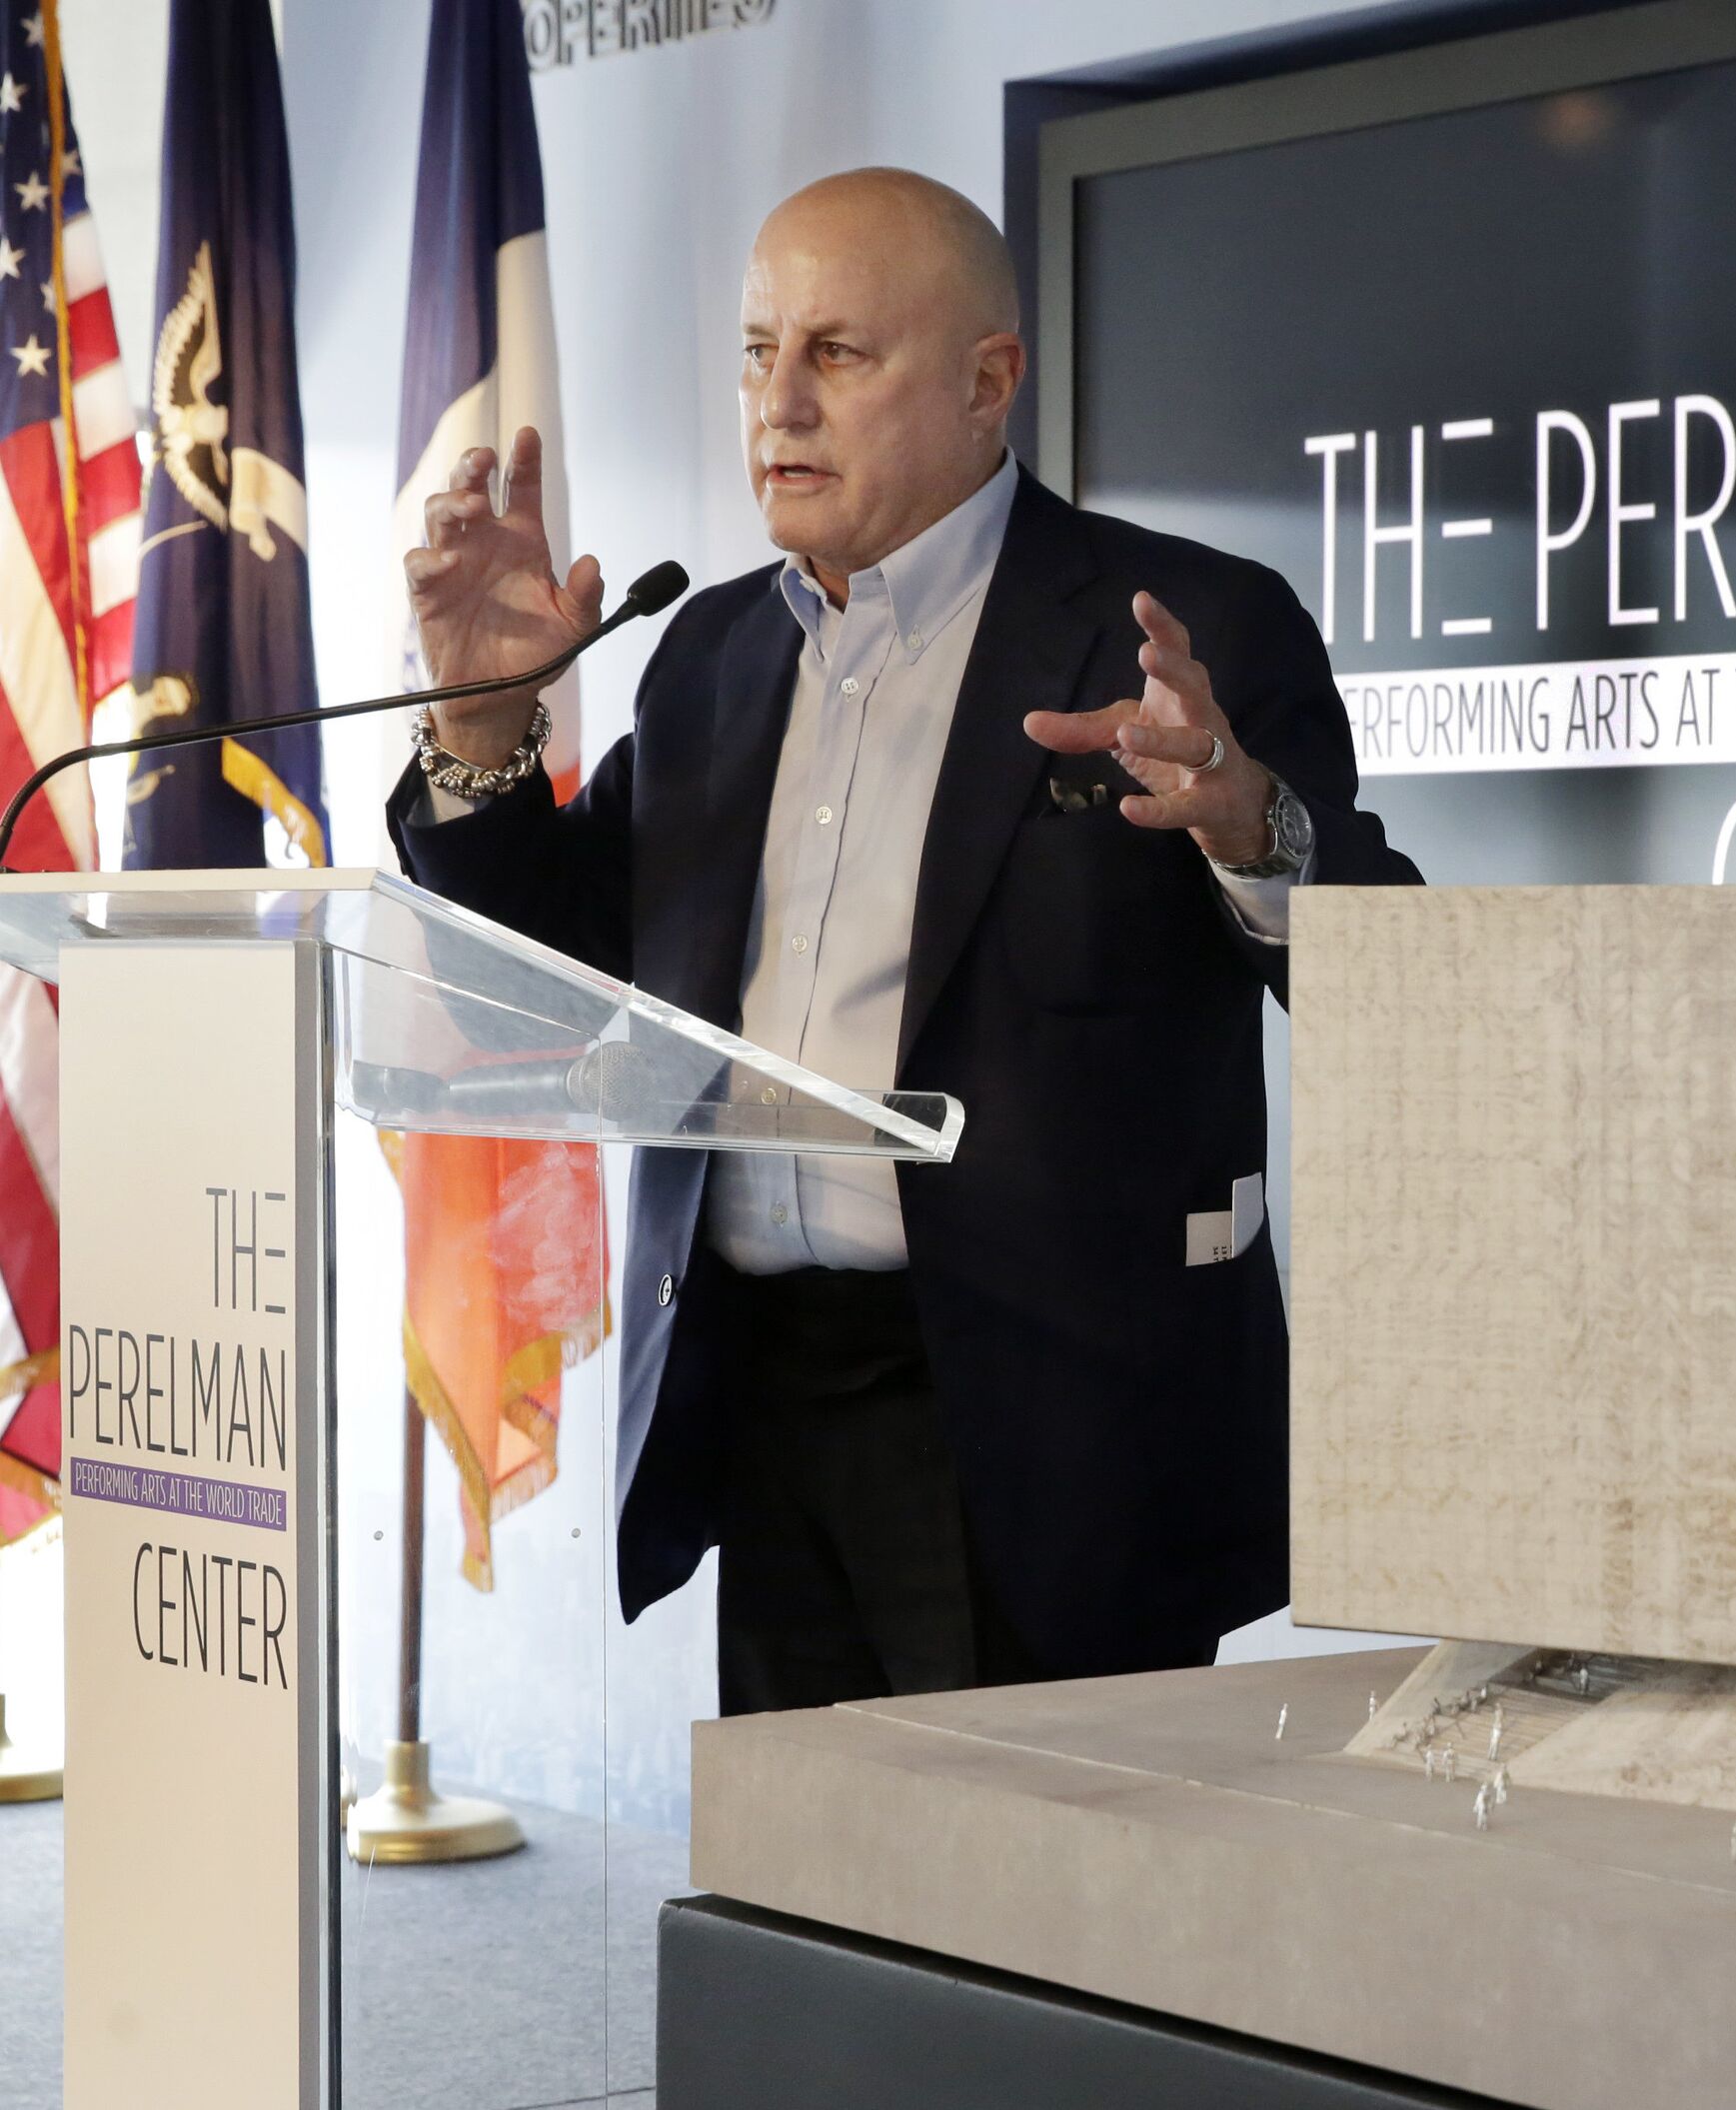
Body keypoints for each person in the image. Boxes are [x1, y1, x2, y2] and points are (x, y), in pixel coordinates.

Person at [390, 167, 1419, 1714]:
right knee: (803, 1870)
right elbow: (540, 984)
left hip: (1059, 1432)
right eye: (759, 352)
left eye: (837, 353)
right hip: (761, 1401)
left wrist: (1251, 829)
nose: (779, 404)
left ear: (988, 383)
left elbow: (1389, 979)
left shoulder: (1183, 628)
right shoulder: (711, 651)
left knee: (1036, 1874)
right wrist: (481, 730)